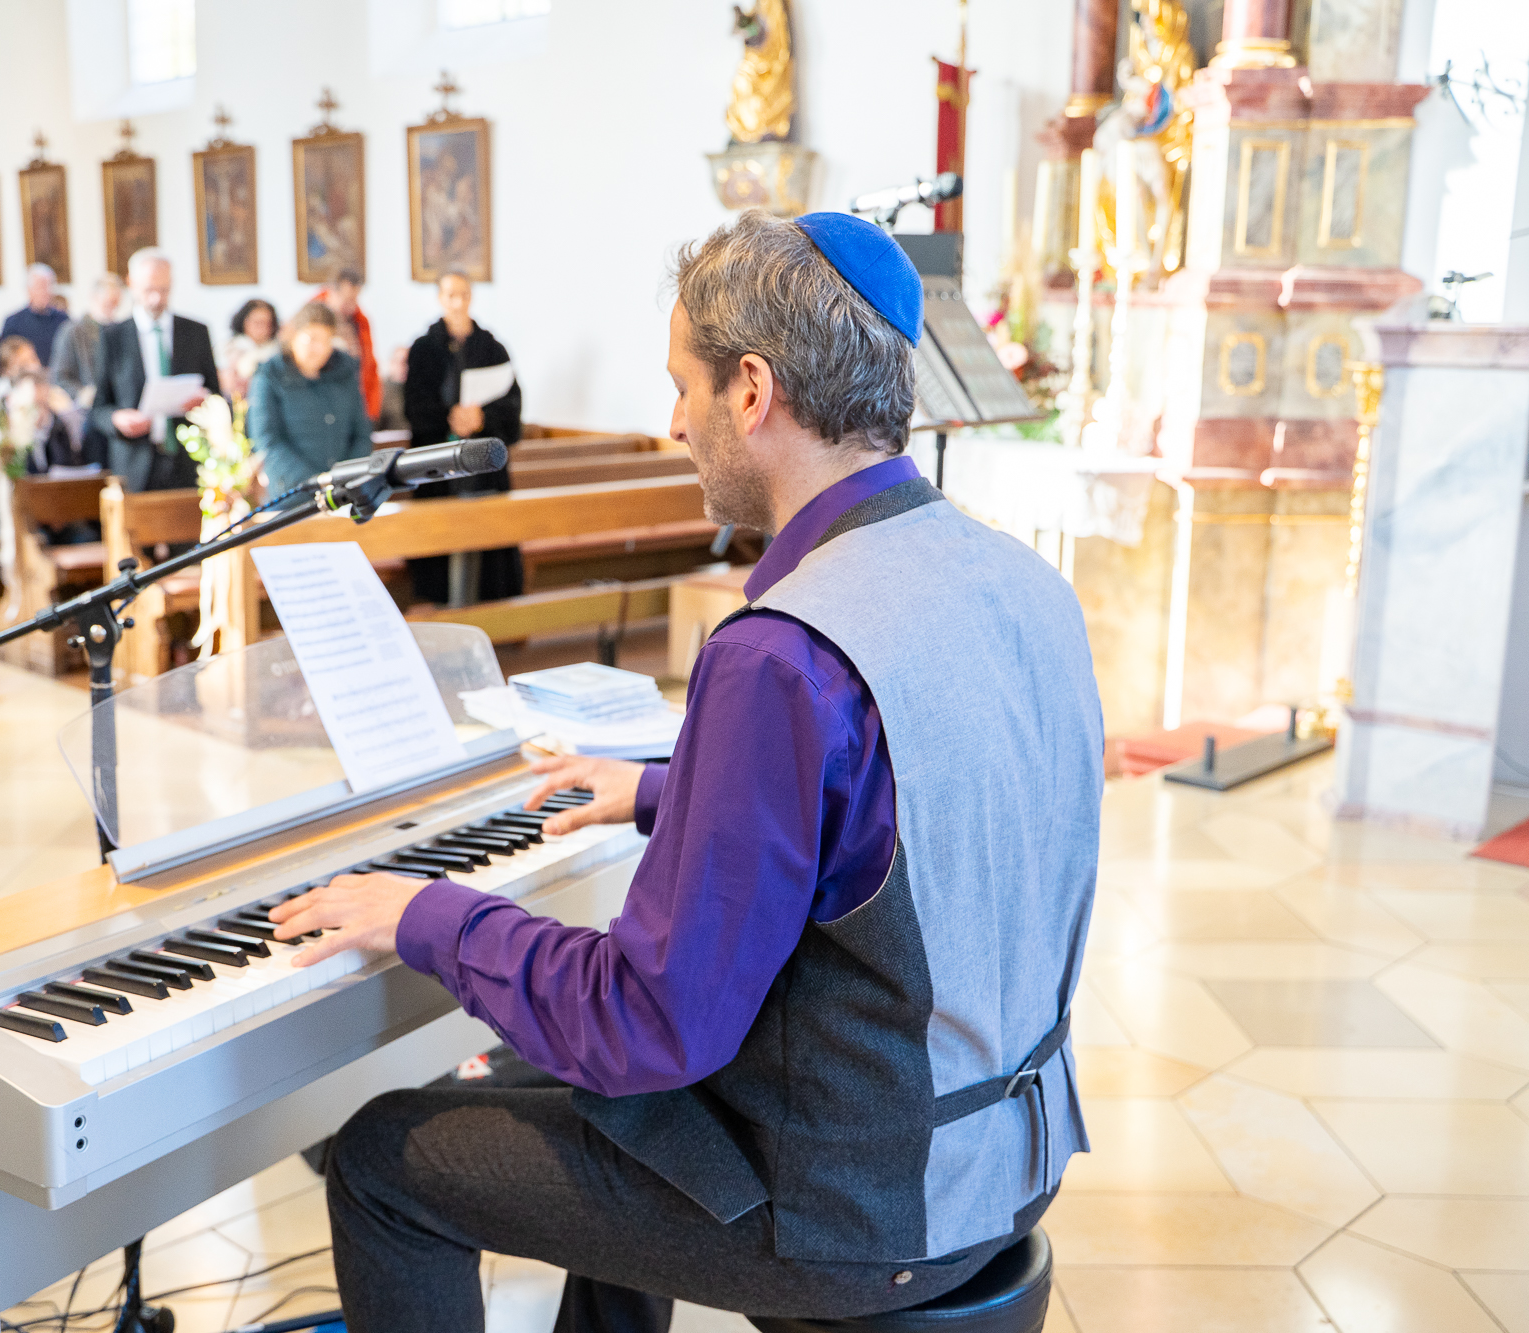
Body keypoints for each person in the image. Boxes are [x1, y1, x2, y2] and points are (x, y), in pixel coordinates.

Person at [267, 211, 1103, 1333]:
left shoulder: (782, 654)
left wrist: (430, 915)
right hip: (999, 1159)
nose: (672, 423)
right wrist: (664, 790)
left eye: (681, 387)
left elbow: (645, 1024)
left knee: (385, 1151)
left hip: (860, 1214)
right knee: (595, 1101)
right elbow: (915, 808)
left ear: (751, 391)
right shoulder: (1019, 580)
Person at [404, 270, 524, 602]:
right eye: (450, 295)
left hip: (484, 470)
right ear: (440, 298)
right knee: (439, 554)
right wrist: (449, 415)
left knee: (489, 557)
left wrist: (482, 417)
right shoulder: (423, 349)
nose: (458, 302)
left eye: (464, 295)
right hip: (437, 469)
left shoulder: (493, 349)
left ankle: (490, 613)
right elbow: (413, 406)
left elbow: (512, 409)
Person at [89, 247, 220, 494]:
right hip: (135, 464)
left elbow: (215, 393)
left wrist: (203, 401)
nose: (157, 299)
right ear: (131, 284)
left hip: (188, 461)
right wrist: (117, 419)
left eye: (164, 290)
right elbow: (98, 408)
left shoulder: (196, 333)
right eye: (149, 290)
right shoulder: (113, 337)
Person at [245, 302, 373, 494]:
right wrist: (316, 481)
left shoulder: (345, 371)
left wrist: (345, 476)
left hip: (343, 491)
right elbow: (267, 441)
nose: (319, 349)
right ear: (294, 335)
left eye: (327, 340)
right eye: (312, 339)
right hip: (292, 493)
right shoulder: (269, 375)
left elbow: (361, 434)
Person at [0, 369, 104, 534]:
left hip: (54, 516)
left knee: (87, 535)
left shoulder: (57, 427)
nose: (39, 412)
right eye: (32, 405)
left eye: (44, 405)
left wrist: (57, 511)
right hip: (4, 514)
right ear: (12, 400)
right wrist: (31, 510)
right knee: (37, 539)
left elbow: (67, 473)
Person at [309, 268, 379, 420]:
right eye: (347, 299)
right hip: (320, 405)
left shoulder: (360, 322)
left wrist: (371, 410)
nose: (352, 306)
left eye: (355, 299)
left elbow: (369, 366)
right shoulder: (309, 321)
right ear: (331, 292)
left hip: (354, 403)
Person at [51, 274, 125, 408]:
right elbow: (59, 377)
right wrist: (81, 393)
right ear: (94, 298)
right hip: (86, 409)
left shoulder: (119, 331)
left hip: (115, 406)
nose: (113, 308)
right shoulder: (72, 331)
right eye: (109, 303)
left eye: (116, 304)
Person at [1, 262, 70, 367]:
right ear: (29, 289)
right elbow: (7, 360)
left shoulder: (64, 321)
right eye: (40, 286)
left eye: (49, 286)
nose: (45, 291)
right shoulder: (13, 322)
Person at [218, 298, 280, 401]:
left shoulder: (278, 351)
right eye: (257, 322)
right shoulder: (227, 347)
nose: (262, 328)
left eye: (267, 323)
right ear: (244, 321)